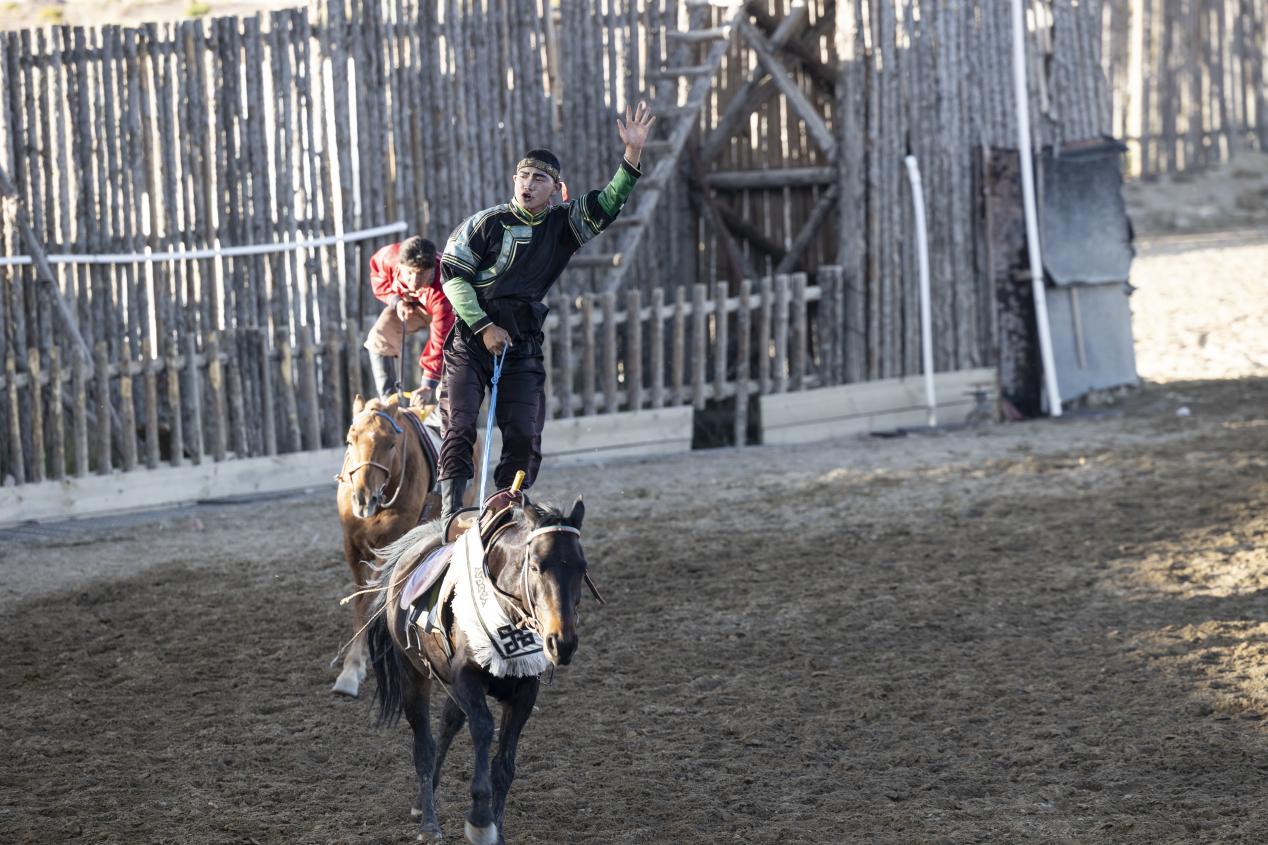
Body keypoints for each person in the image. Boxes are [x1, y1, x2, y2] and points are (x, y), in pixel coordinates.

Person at [436, 101, 656, 525]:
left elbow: (608, 204)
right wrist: (483, 327)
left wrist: (632, 155)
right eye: (524, 176)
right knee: (460, 424)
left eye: (540, 178)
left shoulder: (563, 226)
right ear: (513, 180)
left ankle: (505, 508)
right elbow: (453, 277)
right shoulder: (484, 224)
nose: (529, 184)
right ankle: (448, 514)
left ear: (556, 188)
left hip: (522, 344)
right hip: (470, 340)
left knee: (524, 432)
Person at [364, 236, 455, 403]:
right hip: (413, 305)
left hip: (456, 313)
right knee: (379, 337)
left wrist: (428, 384)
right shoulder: (388, 257)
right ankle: (390, 403)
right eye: (410, 272)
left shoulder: (444, 288)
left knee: (448, 375)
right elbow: (377, 277)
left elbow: (440, 340)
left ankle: (442, 420)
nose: (414, 281)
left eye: (421, 274)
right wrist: (397, 302)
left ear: (432, 268)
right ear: (399, 265)